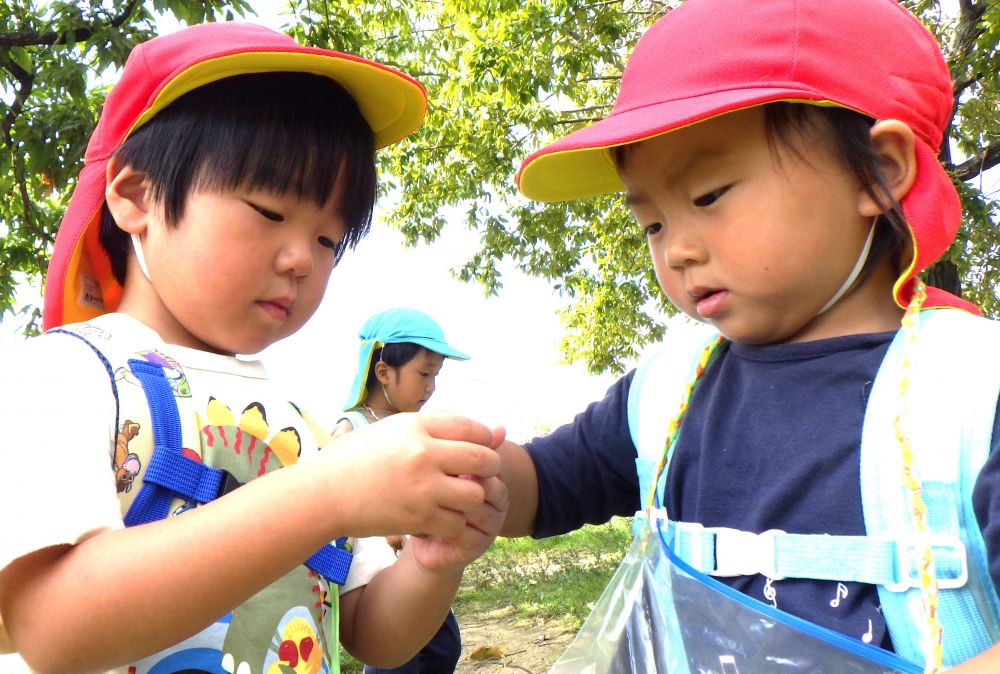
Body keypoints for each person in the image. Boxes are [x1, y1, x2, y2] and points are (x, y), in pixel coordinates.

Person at [499, 0, 1000, 671]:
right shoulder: (669, 392)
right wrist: (456, 479)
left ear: (879, 171)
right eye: (650, 223)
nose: (675, 249)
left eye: (708, 195)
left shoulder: (967, 397)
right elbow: (541, 487)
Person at [0, 22, 507, 674]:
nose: (301, 260)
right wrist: (327, 496)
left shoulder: (300, 428)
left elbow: (373, 633)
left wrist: (437, 559)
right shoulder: (59, 376)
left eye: (329, 239)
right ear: (135, 196)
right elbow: (55, 628)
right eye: (269, 211)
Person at [332, 307, 471, 674]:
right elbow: (333, 500)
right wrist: (384, 525)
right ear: (384, 373)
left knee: (442, 646)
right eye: (424, 373)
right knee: (399, 660)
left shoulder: (416, 429)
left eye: (436, 375)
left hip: (417, 570)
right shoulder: (352, 430)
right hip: (378, 582)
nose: (431, 386)